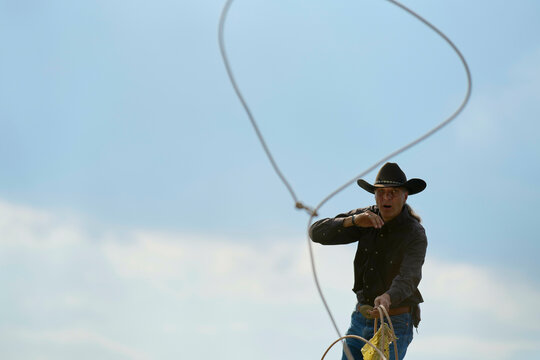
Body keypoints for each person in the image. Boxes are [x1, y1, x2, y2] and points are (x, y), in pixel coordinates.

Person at [309, 162, 427, 360]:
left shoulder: (414, 233)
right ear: (375, 195)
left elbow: (409, 277)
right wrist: (352, 221)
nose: (386, 198)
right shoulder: (365, 218)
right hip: (360, 318)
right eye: (381, 192)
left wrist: (388, 296)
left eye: (393, 192)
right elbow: (316, 232)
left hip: (395, 322)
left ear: (405, 196)